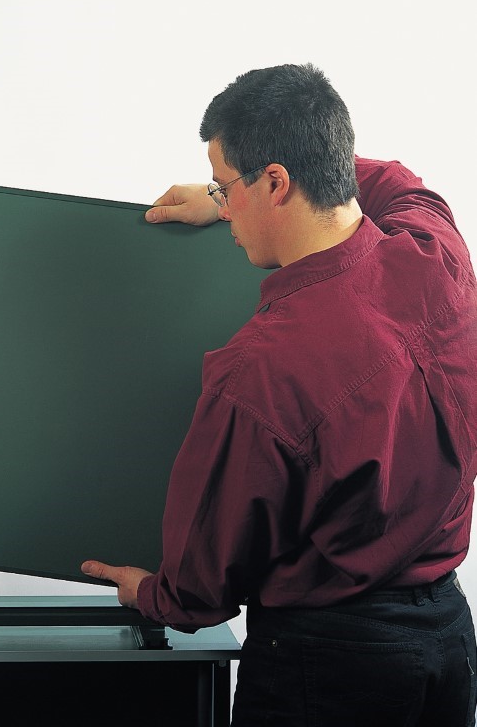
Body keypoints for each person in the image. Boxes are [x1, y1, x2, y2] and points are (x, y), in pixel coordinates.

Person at [81, 63, 477, 726]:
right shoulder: (438, 253)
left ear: (275, 182)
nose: (222, 205)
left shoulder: (259, 371)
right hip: (449, 647)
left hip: (327, 669)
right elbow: (392, 179)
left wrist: (149, 592)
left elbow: (201, 587)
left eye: (225, 185)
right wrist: (231, 193)